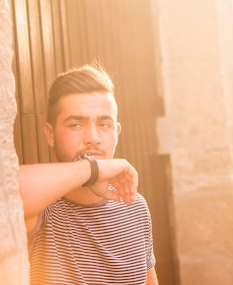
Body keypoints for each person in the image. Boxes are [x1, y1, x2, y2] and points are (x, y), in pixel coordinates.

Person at [18, 62, 158, 285]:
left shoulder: (135, 207)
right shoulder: (42, 210)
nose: (92, 137)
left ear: (117, 133)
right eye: (76, 125)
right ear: (50, 134)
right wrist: (94, 168)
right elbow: (5, 193)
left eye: (104, 124)